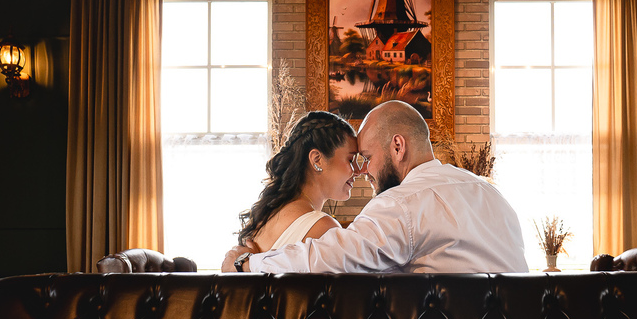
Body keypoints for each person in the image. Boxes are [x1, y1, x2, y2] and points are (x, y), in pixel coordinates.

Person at [223, 100, 527, 274]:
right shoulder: (493, 195)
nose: (363, 169)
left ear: (397, 146)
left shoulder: (402, 204)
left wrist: (247, 265)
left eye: (366, 157)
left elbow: (331, 256)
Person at [234, 110, 360, 254]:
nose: (358, 170)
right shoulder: (324, 228)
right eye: (350, 160)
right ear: (317, 159)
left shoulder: (269, 213)